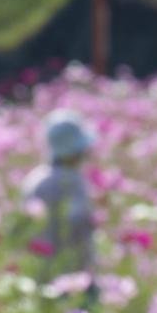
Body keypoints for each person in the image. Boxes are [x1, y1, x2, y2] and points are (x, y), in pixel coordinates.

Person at [22, 111, 98, 299]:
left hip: (41, 275)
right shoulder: (71, 182)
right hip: (71, 276)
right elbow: (78, 224)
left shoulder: (35, 180)